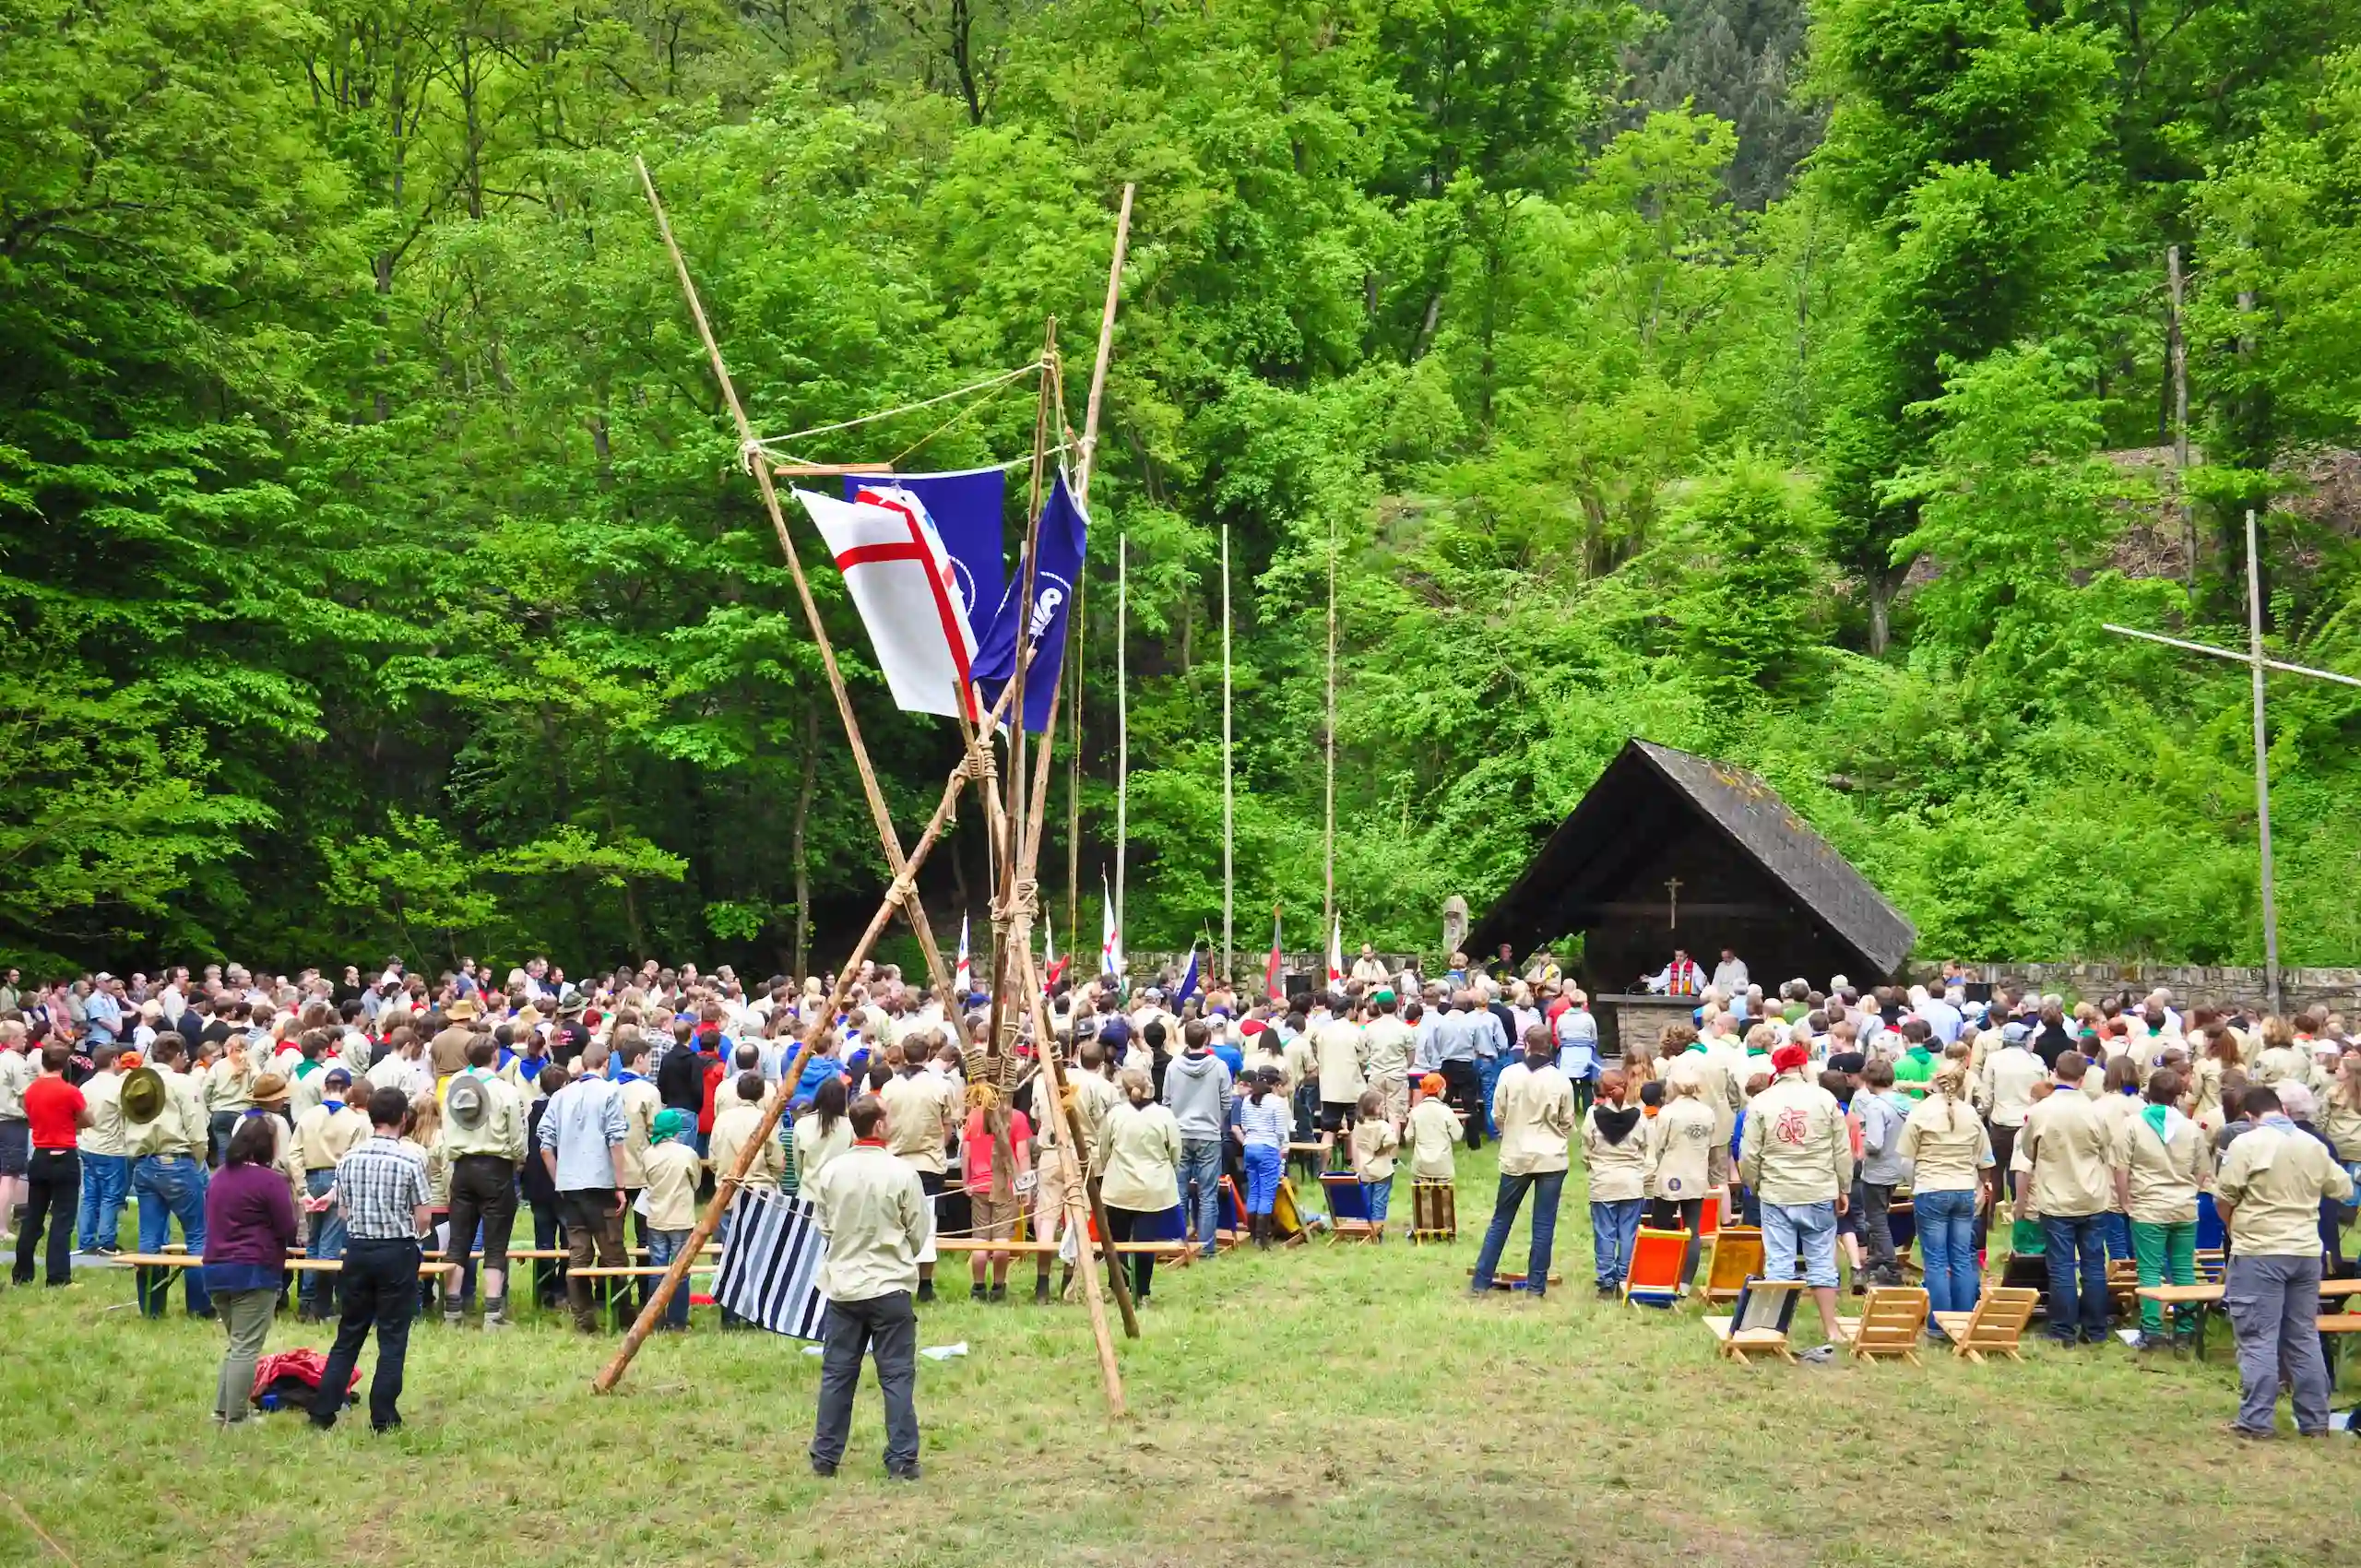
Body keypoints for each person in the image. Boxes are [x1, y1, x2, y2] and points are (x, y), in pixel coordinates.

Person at [2214, 1084, 2354, 1437]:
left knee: (2258, 1336)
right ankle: (2315, 1421)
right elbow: (2345, 1190)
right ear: (2284, 1111)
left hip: (2260, 1250)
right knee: (2303, 1336)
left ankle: (2256, 1420)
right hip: (2306, 1250)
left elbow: (2225, 1195)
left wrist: (2234, 1229)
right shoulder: (2314, 1145)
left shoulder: (2245, 1143)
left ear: (2249, 1117)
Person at [806, 1094, 927, 1480]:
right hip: (889, 1285)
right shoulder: (902, 1173)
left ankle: (826, 1456)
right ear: (877, 1126)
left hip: (844, 1285)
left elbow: (822, 1223)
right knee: (896, 1376)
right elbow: (919, 1232)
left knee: (837, 1374)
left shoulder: (831, 1172)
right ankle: (902, 1460)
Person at [310, 1087, 432, 1433]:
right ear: (404, 1118)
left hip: (359, 1250)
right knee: (393, 1335)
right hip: (397, 1250)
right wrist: (412, 1235)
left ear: (370, 1115)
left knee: (349, 1332)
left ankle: (324, 1409)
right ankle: (383, 1415)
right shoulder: (411, 1159)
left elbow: (344, 1211)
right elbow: (423, 1216)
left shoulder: (348, 1159)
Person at [1738, 1041, 1853, 1360]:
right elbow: (1840, 1149)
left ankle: (1776, 1330)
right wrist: (1843, 1186)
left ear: (1777, 1069)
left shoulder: (1761, 1102)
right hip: (1818, 1189)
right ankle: (1831, 1328)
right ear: (1803, 1067)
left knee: (1779, 1260)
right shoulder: (1825, 1098)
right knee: (1821, 1259)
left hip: (1777, 1192)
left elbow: (1749, 1154)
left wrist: (1754, 1184)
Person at [203, 1115, 299, 1423]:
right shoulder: (270, 1181)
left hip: (216, 1268)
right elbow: (287, 1226)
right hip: (254, 1269)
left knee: (237, 1345)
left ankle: (223, 1411)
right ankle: (237, 1418)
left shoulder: (218, 1176)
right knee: (246, 1347)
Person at [2015, 1051, 2115, 1346]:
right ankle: (2095, 1329)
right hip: (2093, 1196)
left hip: (2056, 1197)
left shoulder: (2040, 1112)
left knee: (2061, 1266)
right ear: (2083, 1078)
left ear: (2054, 1073)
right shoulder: (2096, 1112)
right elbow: (2106, 1151)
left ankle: (2063, 1329)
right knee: (2093, 1264)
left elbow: (2028, 1152)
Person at [1469, 1027, 1576, 1298]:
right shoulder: (1561, 1080)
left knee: (1501, 1218)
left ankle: (1481, 1281)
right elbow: (1567, 1121)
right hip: (1551, 1157)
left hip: (1516, 1154)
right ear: (1550, 1045)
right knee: (1544, 1224)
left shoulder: (1509, 1075)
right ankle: (1536, 1288)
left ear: (1526, 1044)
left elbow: (1498, 1114)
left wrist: (1513, 1131)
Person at [538, 1040, 631, 1333]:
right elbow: (615, 1139)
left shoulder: (561, 1095)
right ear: (605, 1064)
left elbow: (545, 1145)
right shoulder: (610, 1091)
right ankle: (623, 1313)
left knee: (578, 1253)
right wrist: (620, 1184)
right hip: (601, 1183)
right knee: (613, 1251)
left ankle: (583, 1319)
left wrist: (559, 1179)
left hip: (570, 1185)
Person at [2111, 1066, 2204, 1353]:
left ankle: (2152, 1330)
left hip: (2148, 1206)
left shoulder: (2133, 1125)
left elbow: (2121, 1167)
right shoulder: (2191, 1127)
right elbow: (2202, 1171)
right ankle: (2186, 1330)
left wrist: (2125, 1200)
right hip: (2184, 1207)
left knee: (2150, 1270)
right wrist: (2191, 1191)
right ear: (2178, 1094)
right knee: (2183, 1269)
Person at [1898, 1064, 1993, 1329]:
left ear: (1933, 1083)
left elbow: (1906, 1159)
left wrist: (1914, 1183)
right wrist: (1979, 1185)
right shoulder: (1971, 1114)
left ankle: (1939, 1324)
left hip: (1931, 1187)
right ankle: (1963, 1321)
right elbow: (1985, 1160)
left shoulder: (1921, 1112)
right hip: (1963, 1188)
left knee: (1936, 1259)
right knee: (1963, 1255)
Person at [439, 1038, 526, 1328]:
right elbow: (516, 1134)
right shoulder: (504, 1090)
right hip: (496, 1167)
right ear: (495, 1056)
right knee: (495, 1242)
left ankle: (452, 1310)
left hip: (461, 1166)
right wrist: (518, 1157)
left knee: (458, 1241)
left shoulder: (454, 1089)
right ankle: (492, 1313)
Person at [127, 1036, 213, 1318]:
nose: (187, 1059)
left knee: (149, 1237)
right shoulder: (183, 1083)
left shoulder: (137, 1082)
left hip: (144, 1162)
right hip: (178, 1160)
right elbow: (196, 1126)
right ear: (176, 1053)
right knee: (198, 1234)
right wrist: (199, 1160)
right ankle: (199, 1307)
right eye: (184, 1054)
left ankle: (151, 1309)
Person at [1095, 1068, 1181, 1305]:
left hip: (1119, 1187)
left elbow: (1103, 1149)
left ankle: (1118, 1288)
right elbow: (1175, 1151)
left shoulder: (1115, 1116)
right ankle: (1142, 1291)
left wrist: (1109, 1168)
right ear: (1148, 1085)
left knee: (1117, 1241)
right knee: (1146, 1242)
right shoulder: (1164, 1115)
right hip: (1153, 1189)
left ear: (1122, 1086)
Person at [14, 1045, 88, 1287]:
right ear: (65, 1065)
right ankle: (57, 1277)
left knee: (33, 1217)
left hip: (40, 1154)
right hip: (64, 1154)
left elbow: (29, 1114)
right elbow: (88, 1119)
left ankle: (22, 1274)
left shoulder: (30, 1091)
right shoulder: (70, 1091)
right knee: (62, 1219)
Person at [1162, 1018, 1231, 1260]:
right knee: (1208, 1194)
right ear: (1207, 1039)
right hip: (1209, 1135)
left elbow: (1167, 1101)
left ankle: (1178, 1244)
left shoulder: (1173, 1066)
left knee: (1178, 1193)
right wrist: (1215, 1121)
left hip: (1180, 1132)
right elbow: (1227, 1102)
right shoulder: (1219, 1067)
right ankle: (1206, 1247)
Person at [1644, 1062, 1716, 1291]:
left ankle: (1662, 1275)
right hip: (1697, 1174)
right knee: (1693, 1229)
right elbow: (1710, 1144)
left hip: (1671, 1174)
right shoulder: (1707, 1112)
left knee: (1663, 1226)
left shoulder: (1669, 1112)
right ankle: (1685, 1282)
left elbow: (1658, 1146)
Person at [959, 1083, 1031, 1301]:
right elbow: (1023, 1155)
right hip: (1005, 1186)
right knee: (1001, 1240)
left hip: (979, 1185)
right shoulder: (1017, 1118)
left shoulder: (973, 1116)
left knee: (980, 1239)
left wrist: (966, 1181)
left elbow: (966, 1153)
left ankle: (978, 1287)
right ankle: (998, 1286)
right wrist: (1024, 1186)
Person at [1582, 1069, 1646, 1296]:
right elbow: (1647, 1148)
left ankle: (1606, 1280)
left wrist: (1593, 1166)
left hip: (1603, 1182)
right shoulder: (1640, 1116)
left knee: (1604, 1233)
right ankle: (1624, 1277)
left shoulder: (1592, 1115)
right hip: (1632, 1182)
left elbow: (1586, 1149)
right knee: (1628, 1233)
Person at [640, 1108, 703, 1331]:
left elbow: (645, 1180)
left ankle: (654, 1319)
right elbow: (696, 1182)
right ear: (676, 1130)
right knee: (681, 1272)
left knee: (657, 1270)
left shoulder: (648, 1154)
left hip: (656, 1217)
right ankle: (677, 1321)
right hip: (681, 1219)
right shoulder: (686, 1153)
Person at [1852, 1060, 1913, 1289]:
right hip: (1898, 1164)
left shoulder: (1876, 1106)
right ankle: (1879, 1258)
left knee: (1876, 1220)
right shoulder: (1904, 1102)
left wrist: (1861, 1146)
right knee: (1882, 1214)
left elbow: (1875, 1143)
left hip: (1878, 1169)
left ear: (1868, 1081)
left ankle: (1890, 1266)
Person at [74, 1044, 130, 1254]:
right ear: (115, 1060)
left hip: (88, 1145)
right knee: (111, 1196)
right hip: (112, 1148)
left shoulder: (86, 1086)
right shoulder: (119, 1087)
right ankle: (106, 1241)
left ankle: (86, 1241)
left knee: (89, 1195)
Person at [1235, 1067, 1290, 1248]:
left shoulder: (1247, 1100)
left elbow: (1243, 1125)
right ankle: (1262, 1239)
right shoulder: (1276, 1102)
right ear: (1275, 1084)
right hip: (1268, 1146)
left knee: (1254, 1190)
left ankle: (1253, 1235)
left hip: (1250, 1146)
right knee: (1267, 1193)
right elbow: (1281, 1131)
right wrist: (1283, 1147)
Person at [1349, 1087, 1399, 1237]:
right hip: (1382, 1170)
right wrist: (1383, 1150)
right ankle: (1376, 1233)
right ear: (1373, 1107)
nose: (1383, 1106)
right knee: (1379, 1203)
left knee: (1365, 1202)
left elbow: (1355, 1142)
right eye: (1380, 1104)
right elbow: (1392, 1142)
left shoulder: (1359, 1124)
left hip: (1364, 1169)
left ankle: (1363, 1231)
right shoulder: (1383, 1126)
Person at [0, 1022, 33, 1244]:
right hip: (12, 1122)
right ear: (12, 1038)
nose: (26, 1040)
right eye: (22, 1036)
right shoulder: (17, 1063)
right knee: (9, 1177)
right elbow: (27, 1095)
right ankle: (2, 1228)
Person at [793, 1074, 855, 1188]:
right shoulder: (850, 1126)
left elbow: (797, 1163)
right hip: (837, 1193)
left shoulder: (802, 1124)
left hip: (808, 1192)